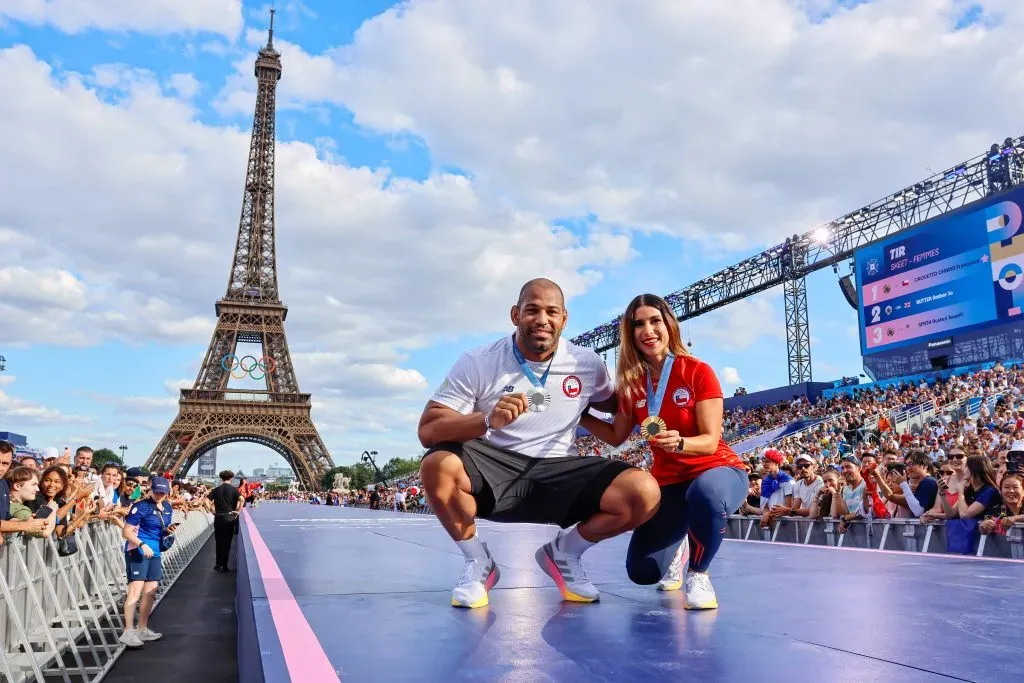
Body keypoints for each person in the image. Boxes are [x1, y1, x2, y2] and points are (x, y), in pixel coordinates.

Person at [418, 278, 661, 608]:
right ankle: (478, 562)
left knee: (643, 492)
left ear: (564, 318)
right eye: (532, 310)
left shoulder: (586, 363)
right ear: (515, 315)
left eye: (551, 311)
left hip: (558, 472)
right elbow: (428, 430)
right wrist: (486, 418)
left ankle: (564, 553)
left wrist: (660, 367)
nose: (542, 319)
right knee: (437, 464)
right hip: (496, 468)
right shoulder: (478, 360)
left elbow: (622, 405)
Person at [580, 293, 747, 609]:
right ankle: (680, 545)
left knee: (706, 493)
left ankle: (699, 576)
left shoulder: (697, 371)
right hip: (670, 483)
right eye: (639, 324)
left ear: (669, 325)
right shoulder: (633, 384)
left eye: (655, 321)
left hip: (717, 470)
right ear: (630, 335)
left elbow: (711, 440)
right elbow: (617, 436)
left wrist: (680, 442)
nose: (648, 331)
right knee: (642, 573)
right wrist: (581, 414)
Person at [120, 476, 176, 648]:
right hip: (138, 550)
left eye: (163, 492)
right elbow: (127, 532)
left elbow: (160, 528)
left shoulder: (167, 507)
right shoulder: (141, 506)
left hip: (156, 551)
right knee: (135, 592)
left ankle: (142, 628)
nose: (159, 494)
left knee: (151, 591)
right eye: (157, 491)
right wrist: (141, 544)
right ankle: (128, 631)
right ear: (151, 489)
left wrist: (168, 530)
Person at [208, 470, 242, 572]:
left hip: (218, 517)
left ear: (221, 478)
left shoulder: (216, 489)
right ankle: (225, 566)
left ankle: (218, 564)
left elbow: (206, 500)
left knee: (219, 541)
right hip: (229, 518)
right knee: (227, 542)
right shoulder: (234, 490)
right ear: (231, 478)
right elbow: (242, 500)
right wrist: (237, 511)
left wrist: (212, 511)